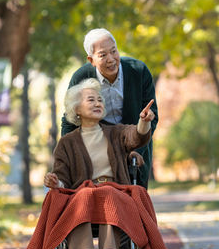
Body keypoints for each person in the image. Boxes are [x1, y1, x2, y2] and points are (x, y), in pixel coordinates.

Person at [42, 78, 157, 249]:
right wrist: (56, 183)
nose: (98, 103)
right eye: (91, 99)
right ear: (76, 109)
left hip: (115, 193)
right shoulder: (66, 143)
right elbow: (63, 178)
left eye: (100, 100)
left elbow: (136, 137)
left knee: (106, 193)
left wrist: (143, 122)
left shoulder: (116, 132)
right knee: (83, 195)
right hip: (83, 197)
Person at [61, 28, 158, 190]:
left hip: (135, 145)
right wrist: (69, 155)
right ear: (91, 60)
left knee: (135, 204)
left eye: (114, 51)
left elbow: (151, 117)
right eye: (103, 55)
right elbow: (70, 119)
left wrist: (137, 150)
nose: (111, 59)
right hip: (97, 149)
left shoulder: (138, 71)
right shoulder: (81, 78)